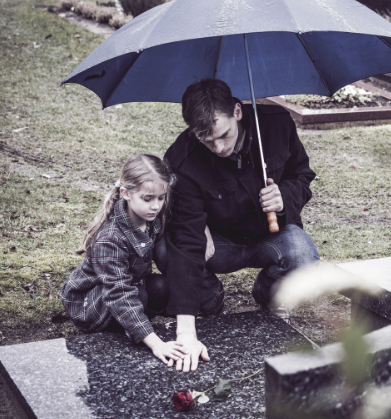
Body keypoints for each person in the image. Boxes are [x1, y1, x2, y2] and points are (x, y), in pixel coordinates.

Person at [154, 78, 319, 373]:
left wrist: (285, 197)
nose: (218, 148)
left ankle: (268, 293)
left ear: (238, 112)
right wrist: (186, 334)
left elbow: (302, 176)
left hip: (270, 235)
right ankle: (210, 299)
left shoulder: (277, 124)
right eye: (207, 141)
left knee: (303, 256)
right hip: (218, 243)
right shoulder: (182, 158)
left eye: (224, 135)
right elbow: (186, 241)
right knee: (167, 249)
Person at [60, 154, 186, 367]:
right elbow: (118, 293)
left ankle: (132, 322)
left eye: (161, 198)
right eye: (148, 199)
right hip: (91, 305)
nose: (156, 206)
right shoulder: (110, 239)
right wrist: (155, 343)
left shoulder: (151, 217)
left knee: (163, 287)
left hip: (131, 286)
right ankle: (127, 328)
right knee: (137, 296)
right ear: (126, 193)